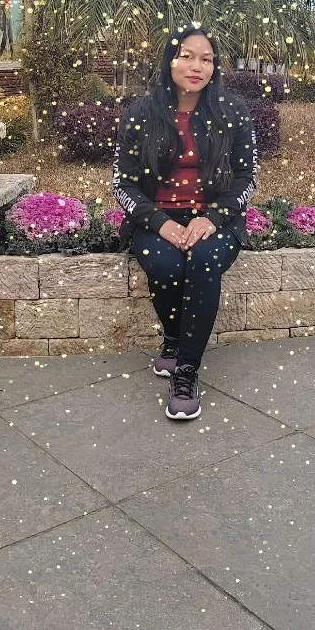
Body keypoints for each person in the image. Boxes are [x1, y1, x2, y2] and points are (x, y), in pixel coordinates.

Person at [113, 24, 258, 421]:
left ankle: (186, 368)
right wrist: (160, 222)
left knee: (204, 261)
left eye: (207, 59)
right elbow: (122, 184)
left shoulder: (232, 112)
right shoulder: (140, 113)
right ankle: (176, 340)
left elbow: (247, 179)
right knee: (164, 263)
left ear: (215, 67)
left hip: (215, 219)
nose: (197, 66)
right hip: (155, 218)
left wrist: (213, 218)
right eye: (187, 56)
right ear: (169, 61)